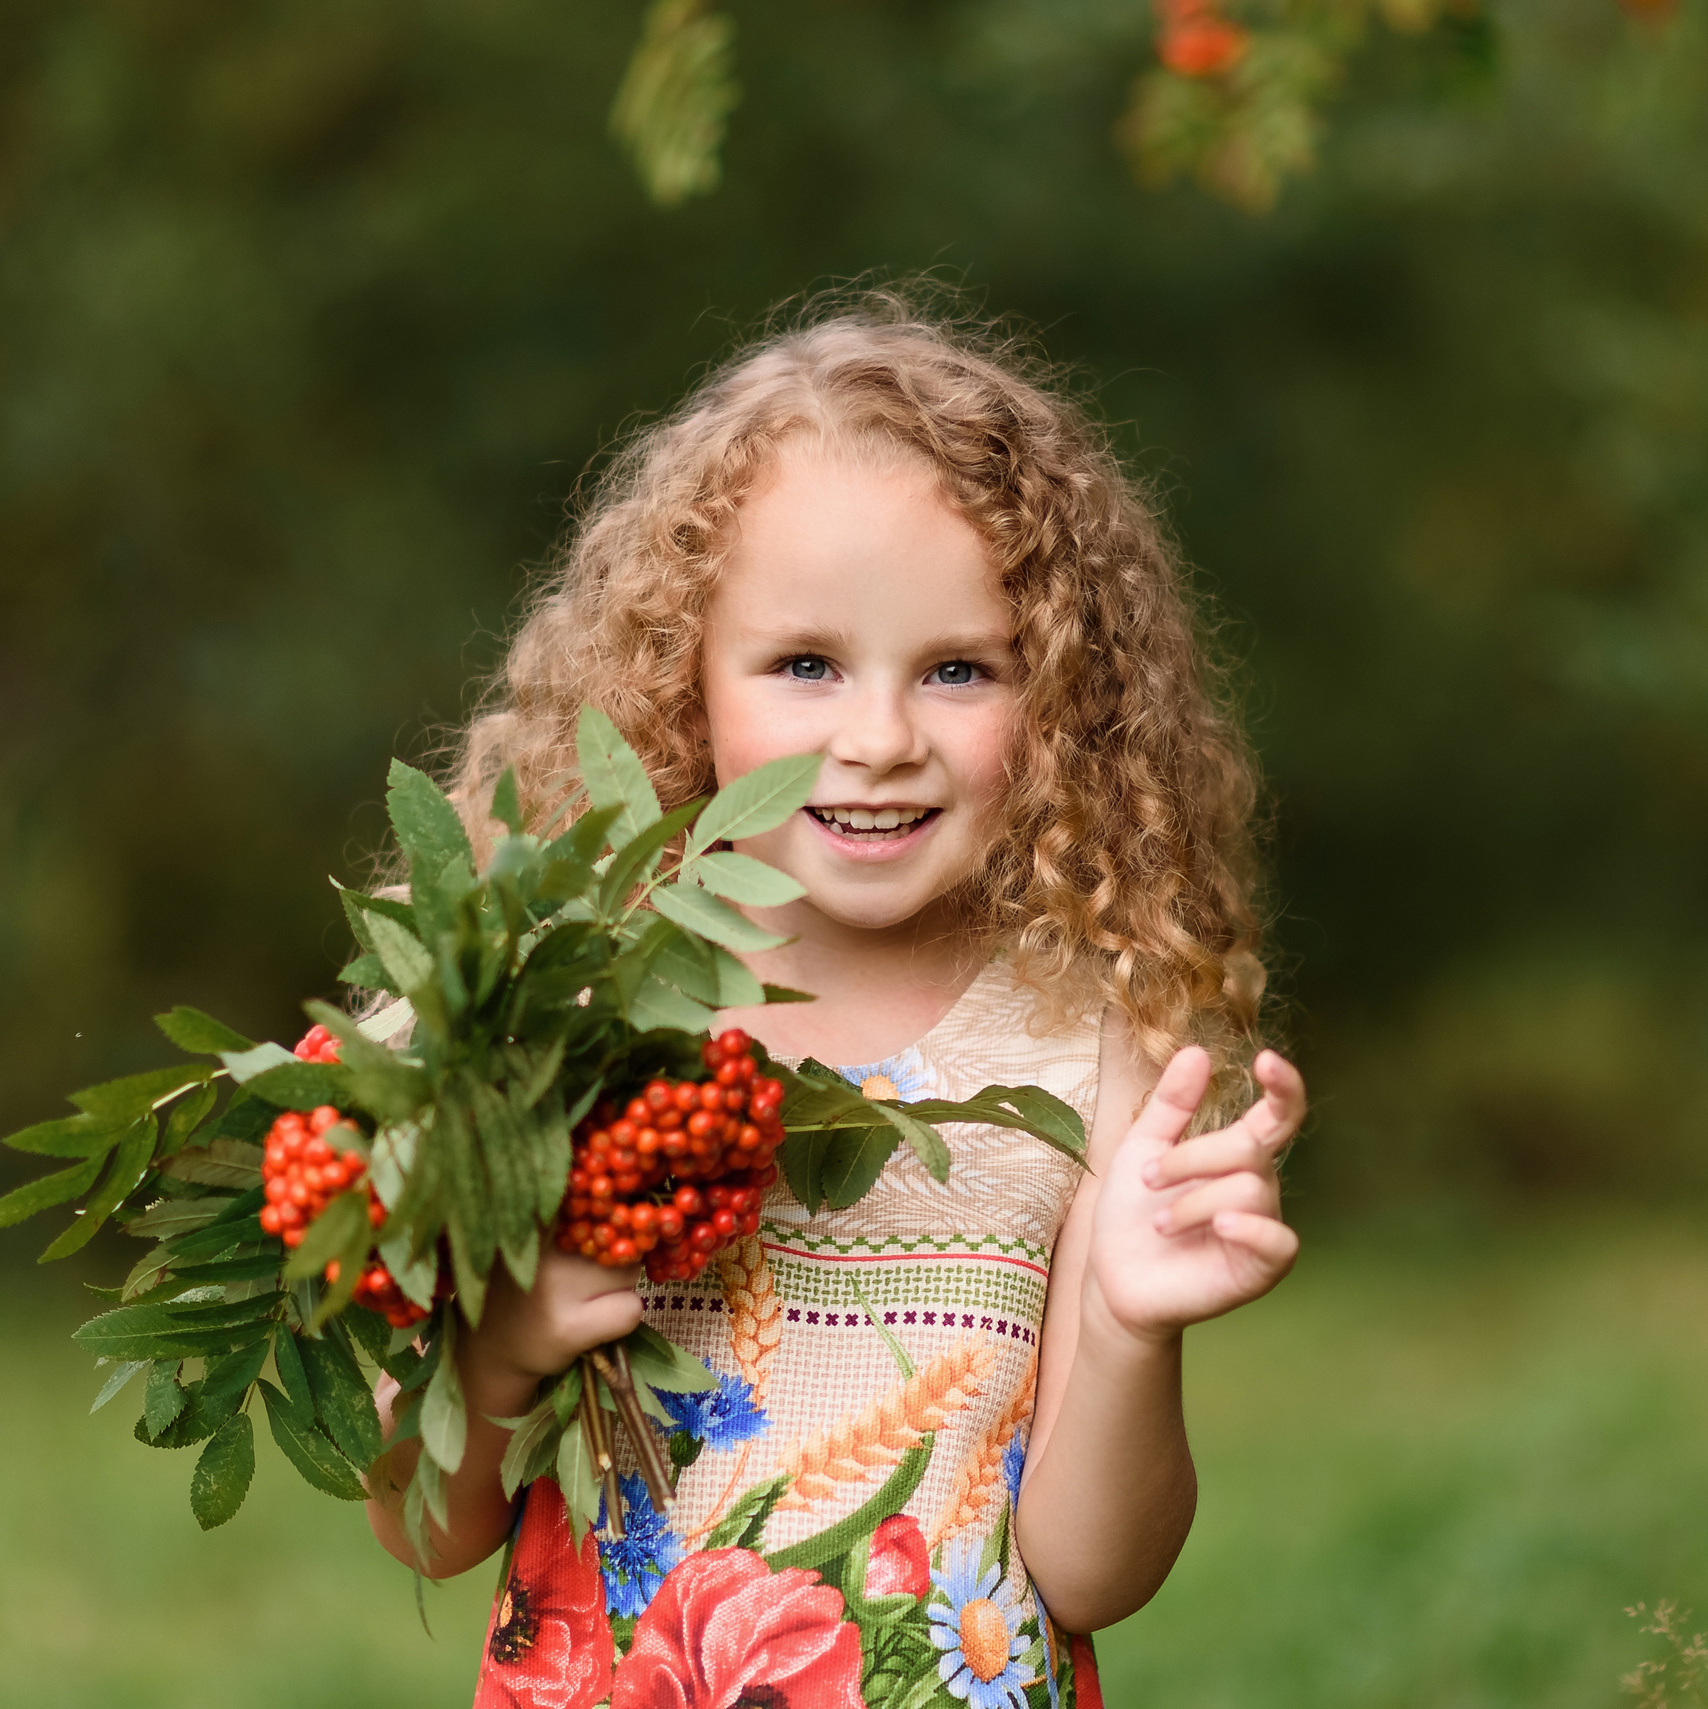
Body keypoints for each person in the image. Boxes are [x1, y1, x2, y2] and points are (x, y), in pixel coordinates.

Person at [366, 293, 1304, 1708]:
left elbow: (1092, 1574)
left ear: (1061, 705)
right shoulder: (559, 1011)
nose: (877, 740)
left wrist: (1126, 1325)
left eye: (959, 670)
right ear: (685, 680)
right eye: (805, 663)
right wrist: (496, 1352)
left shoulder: (1084, 1048)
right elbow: (424, 1529)